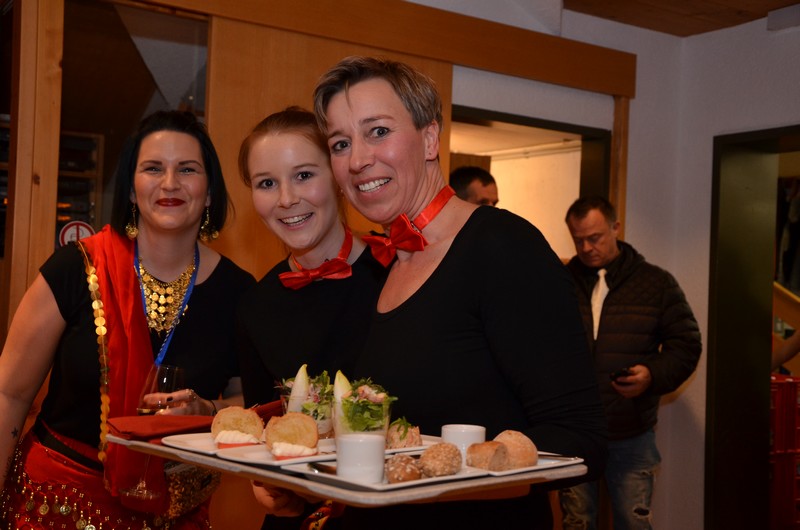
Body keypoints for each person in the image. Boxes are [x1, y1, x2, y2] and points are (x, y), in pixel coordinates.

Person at [306, 55, 605, 529]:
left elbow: (579, 436)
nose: (358, 159)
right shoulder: (380, 267)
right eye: (340, 143)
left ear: (430, 139)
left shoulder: (503, 247)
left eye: (378, 131)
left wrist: (430, 480)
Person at [0, 110, 255, 529]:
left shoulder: (239, 291)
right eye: (153, 168)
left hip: (175, 513)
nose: (169, 183)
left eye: (187, 169)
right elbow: (9, 394)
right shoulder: (76, 268)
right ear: (132, 191)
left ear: (209, 192)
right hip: (56, 505)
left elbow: (251, 403)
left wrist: (207, 409)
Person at [236, 107, 385, 529]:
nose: (286, 199)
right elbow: (262, 423)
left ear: (338, 176)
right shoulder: (255, 304)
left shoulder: (397, 272)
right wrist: (262, 481)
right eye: (267, 183)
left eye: (303, 175)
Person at [560, 195, 702, 530]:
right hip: (575, 431)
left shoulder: (656, 283)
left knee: (633, 523)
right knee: (576, 523)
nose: (587, 248)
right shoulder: (561, 282)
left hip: (631, 431)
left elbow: (686, 346)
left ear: (616, 228)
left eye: (595, 238)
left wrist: (651, 375)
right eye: (578, 240)